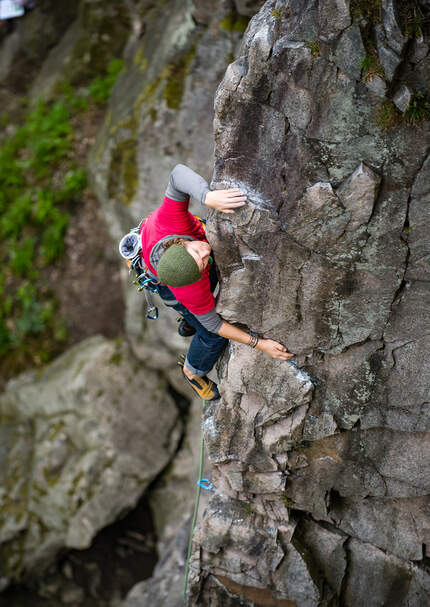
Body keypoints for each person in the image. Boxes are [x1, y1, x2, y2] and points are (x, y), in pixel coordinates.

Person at [138, 164, 294, 401]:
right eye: (202, 263)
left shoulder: (170, 222)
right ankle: (192, 371)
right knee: (211, 337)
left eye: (196, 251)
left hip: (161, 245)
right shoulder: (190, 288)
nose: (205, 251)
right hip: (175, 291)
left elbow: (177, 174)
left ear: (180, 243)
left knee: (203, 299)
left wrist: (207, 196)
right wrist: (260, 344)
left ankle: (190, 320)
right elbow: (215, 325)